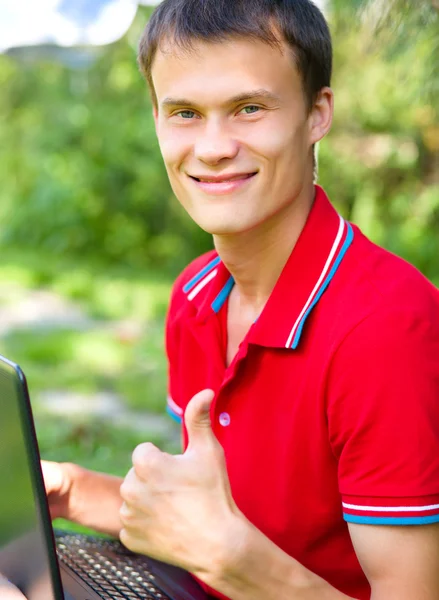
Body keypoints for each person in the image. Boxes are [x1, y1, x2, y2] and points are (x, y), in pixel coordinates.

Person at [19, 0, 439, 598]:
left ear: (318, 113)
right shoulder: (196, 296)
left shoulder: (387, 329)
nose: (213, 147)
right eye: (185, 113)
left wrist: (229, 557)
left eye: (249, 108)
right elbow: (201, 522)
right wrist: (73, 489)